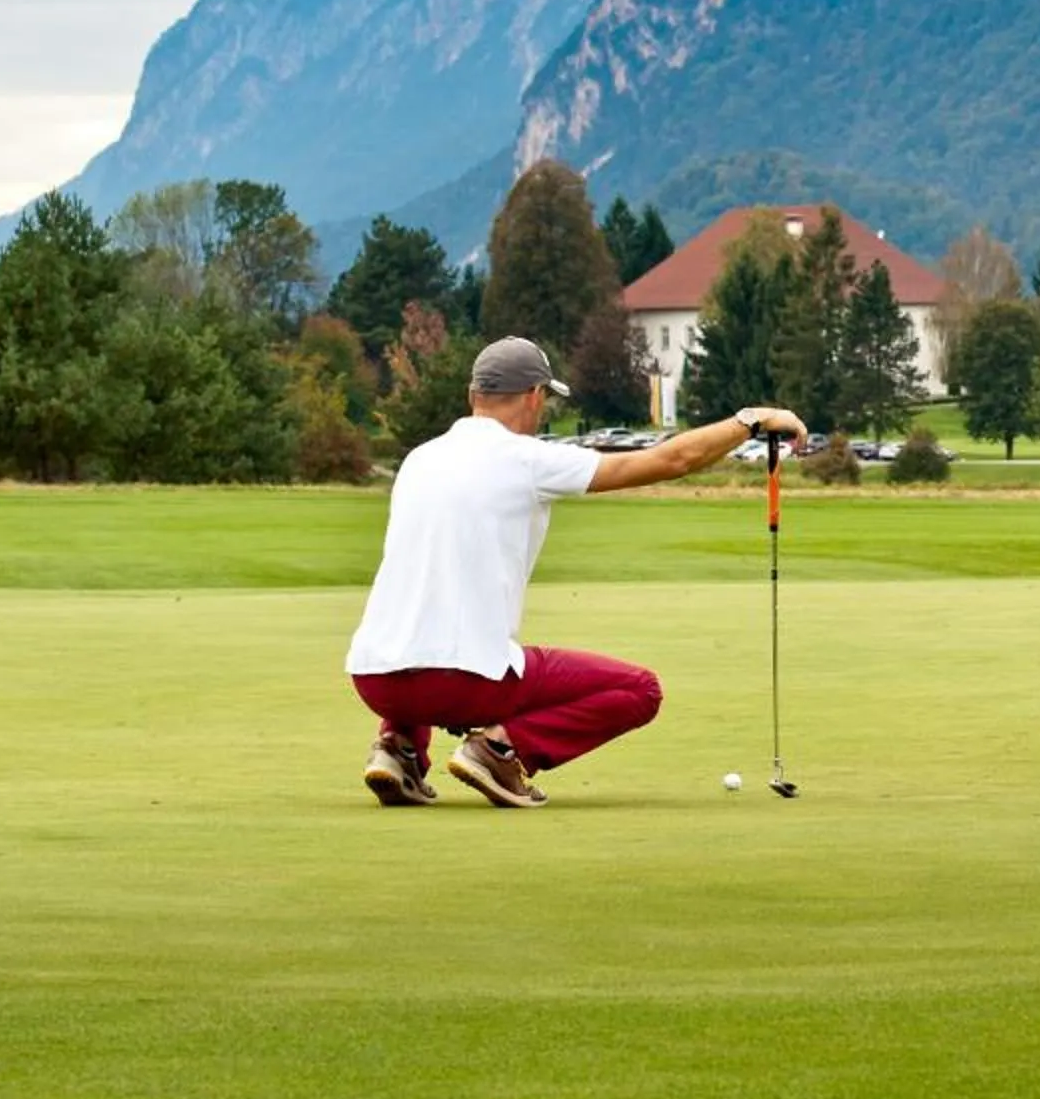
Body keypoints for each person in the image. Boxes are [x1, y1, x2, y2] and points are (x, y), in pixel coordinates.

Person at [345, 335, 807, 807]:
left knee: (427, 632)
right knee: (639, 689)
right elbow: (671, 460)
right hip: (465, 682)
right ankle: (500, 749)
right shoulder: (526, 459)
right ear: (533, 396)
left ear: (473, 396)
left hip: (376, 681)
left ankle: (397, 748)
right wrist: (751, 421)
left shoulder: (419, 459)